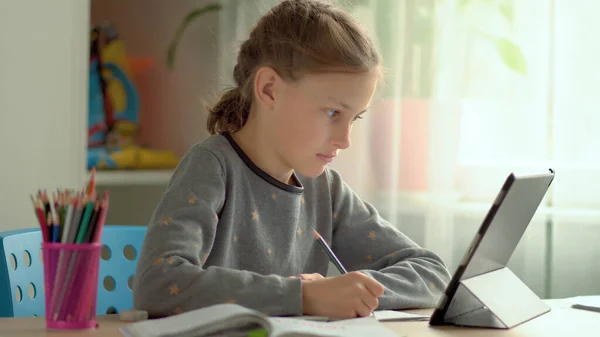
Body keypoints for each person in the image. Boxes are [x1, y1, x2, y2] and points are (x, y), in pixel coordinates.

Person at [132, 0, 451, 319]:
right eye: (333, 113)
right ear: (269, 89)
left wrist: (352, 292)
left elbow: (432, 274)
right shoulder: (212, 166)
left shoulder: (325, 189)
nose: (345, 139)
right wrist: (303, 296)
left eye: (354, 119)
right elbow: (158, 284)